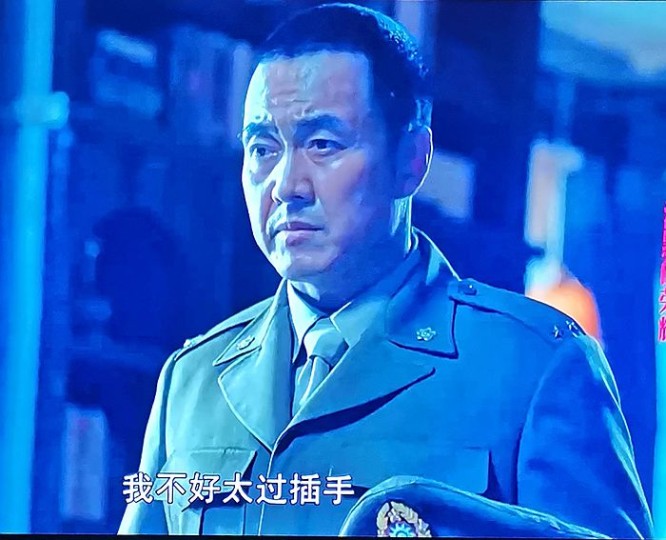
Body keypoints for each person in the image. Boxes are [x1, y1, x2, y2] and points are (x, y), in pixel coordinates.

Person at [119, 3, 653, 536]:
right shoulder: (193, 379)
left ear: (411, 160)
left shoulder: (533, 365)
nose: (285, 185)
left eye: (322, 145)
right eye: (262, 148)